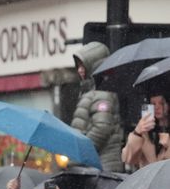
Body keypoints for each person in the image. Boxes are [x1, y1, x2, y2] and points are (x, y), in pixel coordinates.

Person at [70, 42, 125, 173]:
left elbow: (101, 128)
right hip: (95, 167)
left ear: (94, 65)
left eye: (83, 65)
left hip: (101, 168)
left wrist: (80, 153)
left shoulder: (102, 94)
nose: (80, 70)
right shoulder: (91, 92)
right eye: (78, 65)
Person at [122, 94, 170, 169]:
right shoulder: (145, 132)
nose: (157, 107)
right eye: (153, 104)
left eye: (161, 103)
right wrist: (137, 133)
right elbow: (128, 159)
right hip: (147, 179)